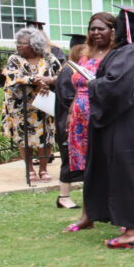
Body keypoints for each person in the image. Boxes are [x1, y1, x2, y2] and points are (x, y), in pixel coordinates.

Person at [84, 6, 134, 249]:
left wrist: (93, 85)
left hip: (124, 124)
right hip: (133, 120)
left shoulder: (131, 52)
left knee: (126, 176)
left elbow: (115, 87)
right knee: (132, 176)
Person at [63, 13, 116, 231]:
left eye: (101, 28)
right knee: (86, 169)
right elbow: (78, 87)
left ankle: (120, 215)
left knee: (110, 165)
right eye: (92, 28)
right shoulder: (85, 54)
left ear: (112, 31)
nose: (95, 33)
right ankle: (87, 216)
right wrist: (70, 114)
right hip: (80, 116)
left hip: (102, 114)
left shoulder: (117, 54)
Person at [1, 27, 61, 183]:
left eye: (22, 43)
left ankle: (43, 169)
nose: (18, 45)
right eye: (18, 43)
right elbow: (13, 77)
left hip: (44, 105)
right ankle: (29, 169)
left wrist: (49, 82)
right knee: (24, 137)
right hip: (21, 106)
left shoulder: (49, 58)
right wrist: (36, 81)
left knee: (46, 136)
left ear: (34, 44)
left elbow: (61, 76)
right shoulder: (14, 59)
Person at [54, 33, 88, 210]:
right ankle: (63, 196)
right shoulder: (68, 70)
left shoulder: (78, 69)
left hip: (78, 121)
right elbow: (67, 97)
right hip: (68, 122)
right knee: (68, 159)